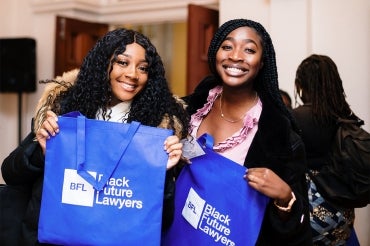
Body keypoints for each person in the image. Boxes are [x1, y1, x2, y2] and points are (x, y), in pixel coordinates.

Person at [1, 28, 189, 245]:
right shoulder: (63, 109)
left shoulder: (154, 130)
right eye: (122, 62)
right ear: (103, 64)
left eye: (143, 67)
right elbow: (10, 173)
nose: (133, 74)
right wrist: (43, 153)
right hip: (51, 238)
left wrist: (160, 174)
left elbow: (160, 221)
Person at [182, 19, 312, 245]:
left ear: (262, 62)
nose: (236, 56)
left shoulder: (280, 136)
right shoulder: (187, 110)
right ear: (216, 53)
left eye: (249, 49)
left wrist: (284, 196)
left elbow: (297, 229)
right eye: (227, 46)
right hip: (179, 233)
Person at [292, 54, 361, 245]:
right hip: (342, 210)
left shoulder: (293, 118)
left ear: (301, 85)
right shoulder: (346, 118)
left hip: (307, 208)